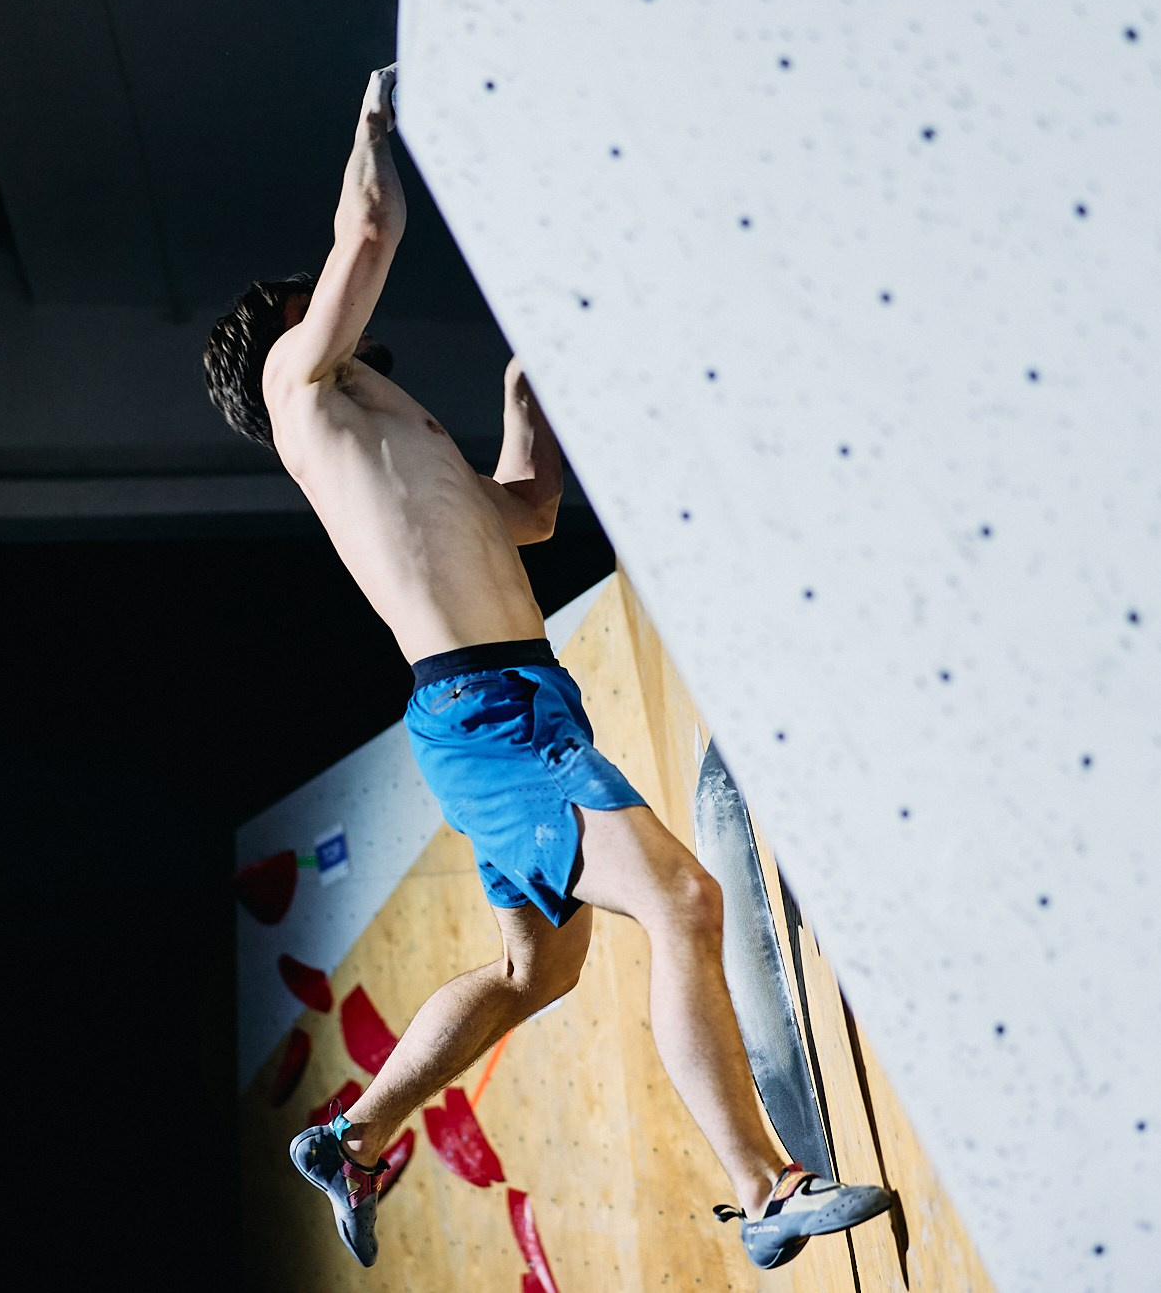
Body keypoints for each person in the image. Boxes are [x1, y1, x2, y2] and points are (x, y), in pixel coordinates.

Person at [201, 66, 892, 1272]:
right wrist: (375, 125)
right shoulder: (298, 388)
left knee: (538, 970)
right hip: (491, 714)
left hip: (504, 701)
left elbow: (523, 514)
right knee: (682, 902)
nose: (349, 312)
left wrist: (525, 395)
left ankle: (352, 1134)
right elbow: (365, 226)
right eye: (325, 307)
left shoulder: (388, 436)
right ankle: (767, 1187)